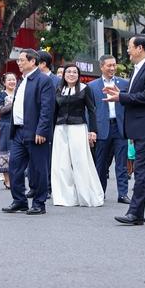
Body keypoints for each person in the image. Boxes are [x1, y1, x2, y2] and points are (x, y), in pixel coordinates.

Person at [104, 35, 145, 226]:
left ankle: (135, 213)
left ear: (140, 48)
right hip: (141, 127)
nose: (128, 51)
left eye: (130, 47)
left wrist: (121, 98)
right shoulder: (139, 68)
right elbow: (137, 94)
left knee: (140, 171)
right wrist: (121, 94)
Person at [2, 49, 56, 215]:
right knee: (14, 167)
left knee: (39, 169)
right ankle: (19, 201)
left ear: (33, 62)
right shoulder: (22, 80)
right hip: (18, 131)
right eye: (18, 60)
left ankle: (39, 203)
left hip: (35, 131)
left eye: (21, 60)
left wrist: (42, 130)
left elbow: (47, 108)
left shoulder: (43, 80)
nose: (19, 63)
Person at [51, 63, 103, 207]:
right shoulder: (58, 90)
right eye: (69, 72)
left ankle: (87, 196)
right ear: (64, 74)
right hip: (60, 128)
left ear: (78, 75)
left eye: (75, 72)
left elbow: (92, 110)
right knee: (61, 164)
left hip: (78, 127)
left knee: (81, 162)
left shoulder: (85, 89)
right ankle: (64, 197)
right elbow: (54, 112)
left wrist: (93, 131)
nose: (72, 74)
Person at [88, 55, 131, 204]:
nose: (112, 68)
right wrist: (91, 130)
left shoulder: (125, 84)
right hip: (102, 128)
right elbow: (90, 111)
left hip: (120, 128)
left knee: (122, 164)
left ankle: (123, 194)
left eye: (114, 65)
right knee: (101, 164)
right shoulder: (92, 86)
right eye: (109, 66)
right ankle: (100, 192)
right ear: (101, 67)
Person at [0, 72, 17, 189]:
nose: (12, 82)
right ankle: (7, 180)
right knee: (4, 150)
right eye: (9, 80)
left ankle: (15, 179)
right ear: (4, 82)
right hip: (5, 124)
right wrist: (14, 103)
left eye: (14, 79)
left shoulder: (19, 93)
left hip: (18, 125)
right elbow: (0, 110)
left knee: (16, 152)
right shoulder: (0, 94)